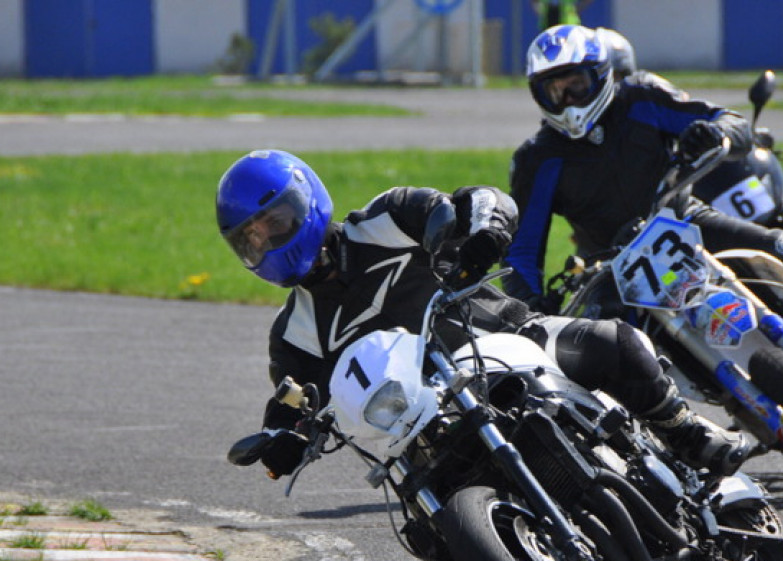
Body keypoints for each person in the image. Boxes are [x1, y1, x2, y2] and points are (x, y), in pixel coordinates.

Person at [215, 149, 751, 479]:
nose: (265, 243)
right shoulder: (294, 333)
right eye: (251, 240)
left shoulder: (385, 219)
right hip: (430, 425)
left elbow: (476, 201)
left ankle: (684, 431)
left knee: (614, 341)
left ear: (306, 203)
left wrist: (483, 230)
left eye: (273, 223)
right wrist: (281, 436)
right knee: (427, 532)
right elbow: (293, 397)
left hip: (513, 339)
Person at [504, 25, 783, 381]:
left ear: (602, 75)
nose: (568, 100)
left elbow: (732, 122)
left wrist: (712, 133)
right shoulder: (536, 159)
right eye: (555, 91)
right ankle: (677, 435)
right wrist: (531, 306)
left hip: (685, 219)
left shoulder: (642, 96)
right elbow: (522, 251)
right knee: (612, 358)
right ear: (538, 94)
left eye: (577, 85)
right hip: (612, 266)